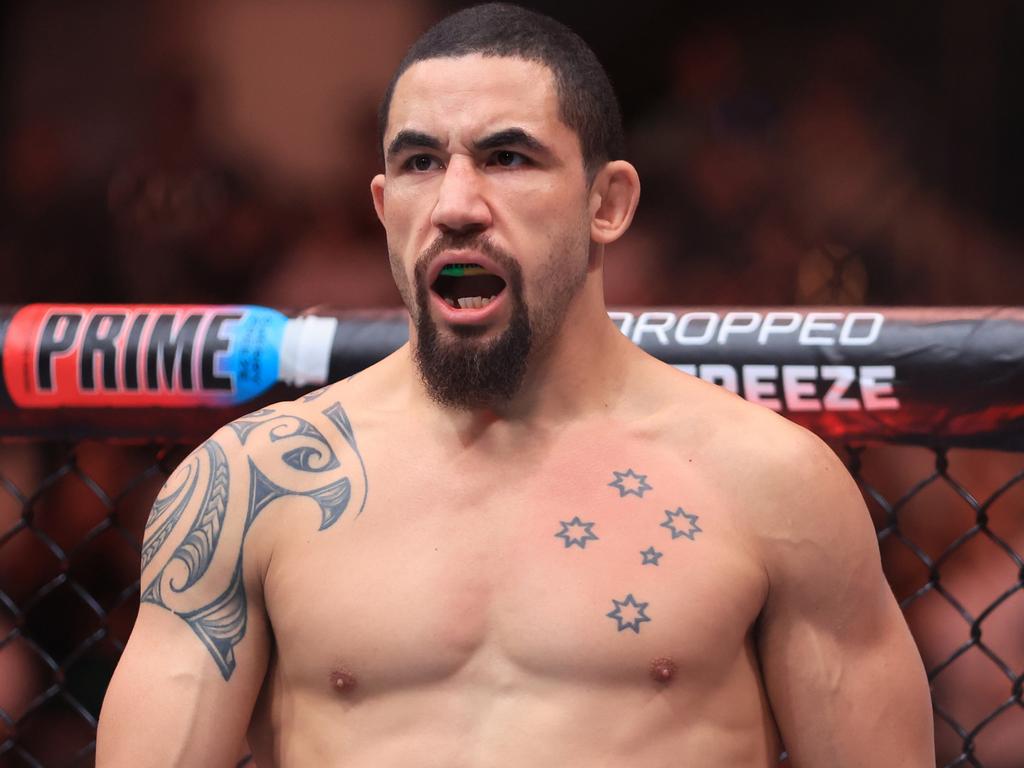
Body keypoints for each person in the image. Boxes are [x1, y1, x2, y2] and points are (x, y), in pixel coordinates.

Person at [97, 4, 935, 765]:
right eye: (421, 162)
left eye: (507, 157)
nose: (457, 203)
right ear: (385, 207)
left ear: (607, 202)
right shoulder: (246, 486)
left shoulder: (770, 483)